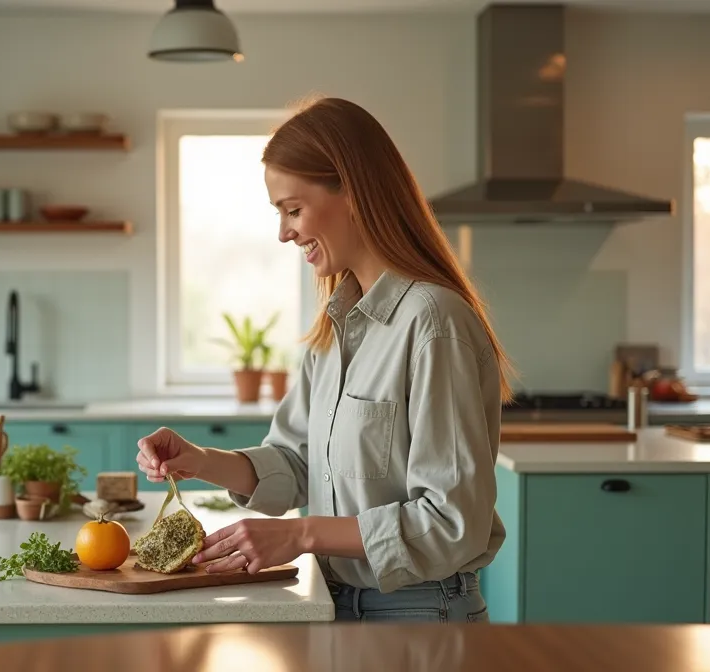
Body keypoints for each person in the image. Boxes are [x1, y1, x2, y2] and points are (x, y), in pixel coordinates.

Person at [136, 97, 516, 623]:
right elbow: (297, 464)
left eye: (293, 209)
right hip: (338, 609)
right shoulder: (335, 330)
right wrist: (199, 460)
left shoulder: (432, 322)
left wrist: (300, 533)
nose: (284, 232)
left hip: (420, 614)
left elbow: (451, 521)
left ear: (354, 192)